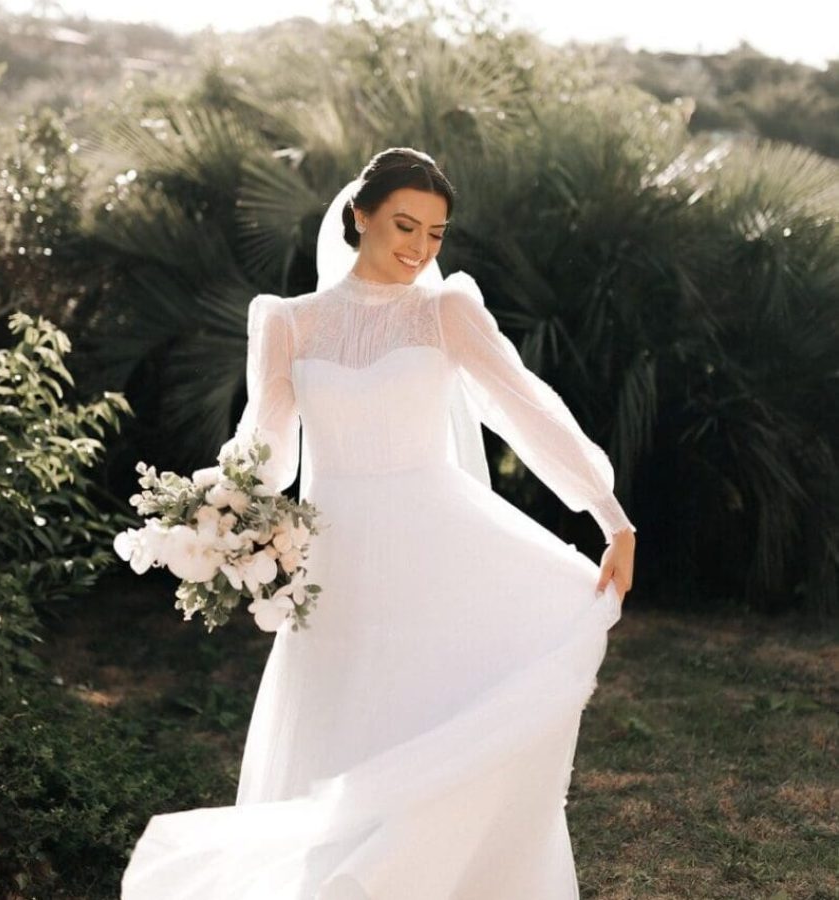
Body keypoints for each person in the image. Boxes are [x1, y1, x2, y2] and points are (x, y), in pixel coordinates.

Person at [121, 147, 637, 899]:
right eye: (404, 225)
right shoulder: (287, 322)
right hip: (337, 560)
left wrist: (609, 515)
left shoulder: (445, 312)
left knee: (428, 721)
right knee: (341, 728)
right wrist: (217, 511)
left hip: (438, 545)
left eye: (435, 232)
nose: (420, 247)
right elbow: (268, 456)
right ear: (360, 216)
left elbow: (525, 410)